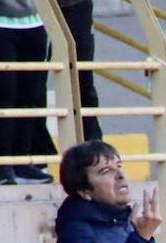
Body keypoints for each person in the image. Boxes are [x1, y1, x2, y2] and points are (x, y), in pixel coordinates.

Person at [0, 0, 57, 184]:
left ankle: (23, 163)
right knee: (4, 95)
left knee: (31, 96)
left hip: (38, 20)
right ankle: (3, 167)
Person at [58, 0, 102, 140]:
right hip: (31, 12)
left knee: (82, 79)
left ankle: (93, 144)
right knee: (31, 82)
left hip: (75, 6)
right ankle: (35, 149)